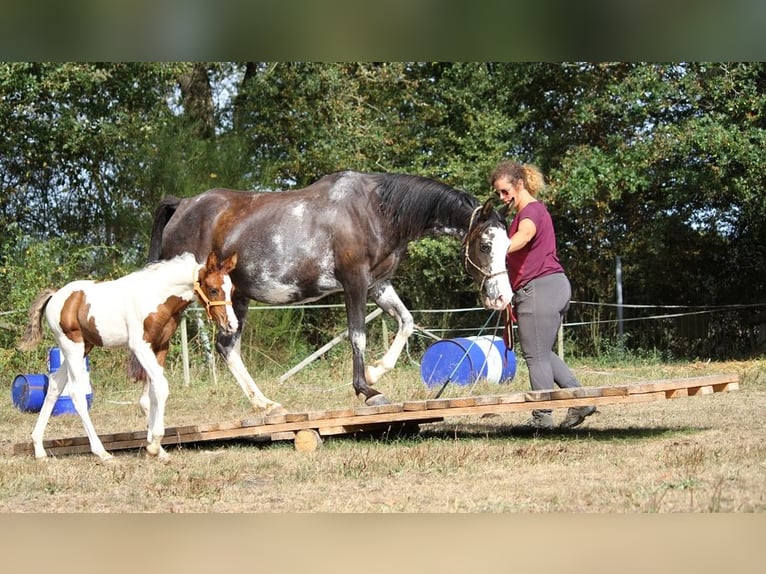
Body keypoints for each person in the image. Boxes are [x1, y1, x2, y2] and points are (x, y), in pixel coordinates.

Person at [490, 160, 596, 430]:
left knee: (535, 356)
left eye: (505, 191)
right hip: (550, 286)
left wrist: (495, 251)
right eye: (498, 194)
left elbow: (525, 237)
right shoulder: (522, 213)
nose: (503, 198)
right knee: (541, 352)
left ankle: (542, 417)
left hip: (540, 287)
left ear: (519, 185)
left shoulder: (531, 212)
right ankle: (581, 400)